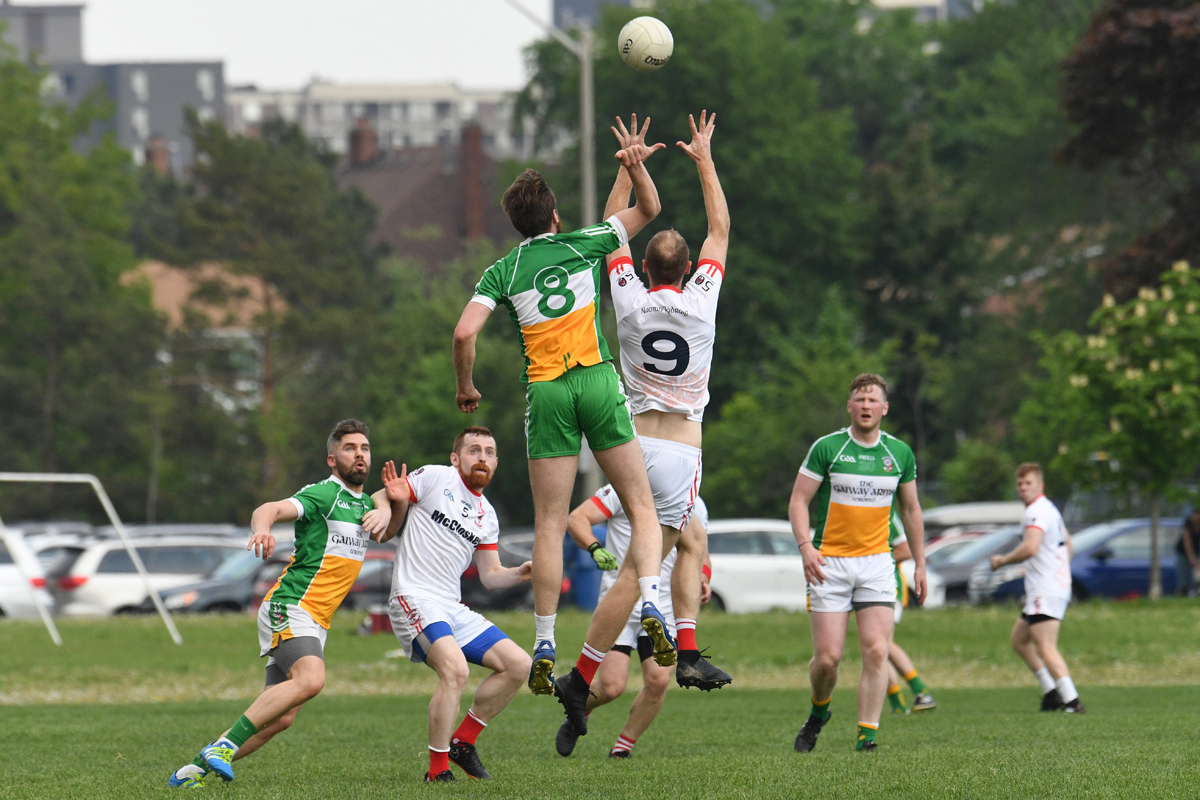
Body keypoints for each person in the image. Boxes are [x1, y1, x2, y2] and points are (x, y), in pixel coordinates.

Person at [451, 119, 676, 711]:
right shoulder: (585, 241)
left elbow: (463, 332)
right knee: (641, 507)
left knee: (551, 522)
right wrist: (632, 164)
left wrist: (466, 385)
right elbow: (649, 209)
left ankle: (546, 642)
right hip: (597, 381)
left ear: (516, 224)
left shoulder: (502, 271)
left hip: (547, 392)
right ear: (554, 217)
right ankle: (652, 600)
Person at [168, 419, 399, 788]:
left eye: (365, 448)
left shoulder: (366, 505)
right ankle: (222, 747)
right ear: (331, 458)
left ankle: (189, 773)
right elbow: (269, 508)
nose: (359, 454)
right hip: (291, 605)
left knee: (280, 717)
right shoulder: (324, 494)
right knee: (311, 680)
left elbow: (387, 521)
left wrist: (390, 503)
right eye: (349, 448)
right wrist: (262, 529)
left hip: (317, 620)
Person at [600, 110, 731, 691]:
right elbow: (720, 231)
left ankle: (589, 667)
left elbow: (611, 228)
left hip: (631, 442)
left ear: (645, 269)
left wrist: (629, 169)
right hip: (680, 447)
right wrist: (704, 161)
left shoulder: (628, 300)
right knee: (684, 543)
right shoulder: (702, 302)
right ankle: (682, 641)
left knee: (636, 556)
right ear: (689, 269)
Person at [368, 426, 533, 782]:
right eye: (474, 450)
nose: (483, 458)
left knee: (519, 665)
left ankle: (463, 743)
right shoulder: (436, 477)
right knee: (456, 671)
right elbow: (387, 493)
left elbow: (490, 576)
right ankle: (438, 770)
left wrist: (521, 572)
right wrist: (384, 508)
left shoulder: (487, 513)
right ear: (456, 458)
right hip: (413, 596)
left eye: (489, 452)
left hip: (450, 606)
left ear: (496, 463)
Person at [788, 374, 927, 753]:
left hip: (877, 565)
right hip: (828, 564)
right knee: (828, 660)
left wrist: (920, 564)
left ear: (884, 408)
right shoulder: (828, 447)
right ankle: (819, 712)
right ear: (849, 406)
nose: (866, 405)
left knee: (877, 649)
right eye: (859, 399)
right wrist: (805, 546)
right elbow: (799, 501)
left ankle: (867, 736)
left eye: (873, 400)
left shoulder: (899, 454)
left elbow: (912, 509)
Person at [555, 486, 717, 760]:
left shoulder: (694, 503)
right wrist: (594, 548)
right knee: (611, 687)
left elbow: (701, 552)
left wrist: (703, 578)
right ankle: (578, 713)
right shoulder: (624, 488)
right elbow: (577, 519)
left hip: (662, 607)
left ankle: (622, 749)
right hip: (620, 603)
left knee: (658, 681)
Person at [990, 463, 1084, 713]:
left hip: (1046, 589)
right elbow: (1068, 545)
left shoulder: (1036, 512)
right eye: (1019, 484)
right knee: (1019, 640)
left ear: (1040, 485)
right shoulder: (1050, 509)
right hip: (1047, 587)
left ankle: (1072, 701)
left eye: (1028, 483)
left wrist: (1002, 560)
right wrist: (1054, 569)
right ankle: (1051, 693)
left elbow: (1030, 547)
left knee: (1045, 646)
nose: (1023, 488)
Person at [885, 513, 936, 714]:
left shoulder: (887, 509)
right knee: (875, 650)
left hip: (890, 587)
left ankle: (921, 691)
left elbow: (905, 550)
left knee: (883, 644)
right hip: (869, 587)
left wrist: (873, 560)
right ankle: (897, 704)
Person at [1174, 508, 1200, 597]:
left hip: (1196, 552)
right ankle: (1181, 592)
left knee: (1196, 573)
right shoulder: (1188, 523)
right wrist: (1192, 559)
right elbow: (1187, 543)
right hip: (1182, 552)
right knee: (1182, 577)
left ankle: (1195, 592)